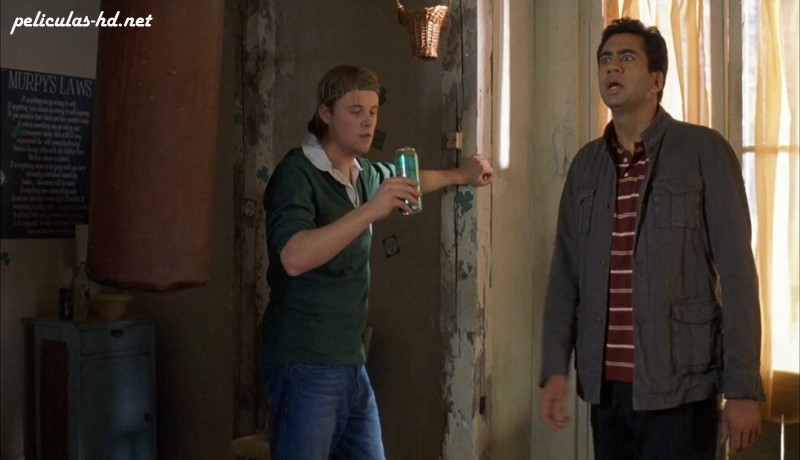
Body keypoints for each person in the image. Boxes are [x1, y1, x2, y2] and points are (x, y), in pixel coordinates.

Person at [538, 18, 764, 460]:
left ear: (656, 80)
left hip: (680, 389)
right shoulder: (586, 166)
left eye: (627, 58)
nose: (612, 67)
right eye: (605, 59)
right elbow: (564, 275)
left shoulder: (703, 151)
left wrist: (742, 389)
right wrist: (555, 369)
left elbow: (738, 275)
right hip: (607, 391)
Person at [260, 64, 493, 460]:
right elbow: (294, 257)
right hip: (305, 361)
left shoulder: (363, 173)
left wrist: (461, 174)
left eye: (372, 112)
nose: (367, 122)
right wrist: (371, 209)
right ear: (325, 114)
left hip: (351, 362)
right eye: (355, 111)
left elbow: (410, 181)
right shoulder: (297, 173)